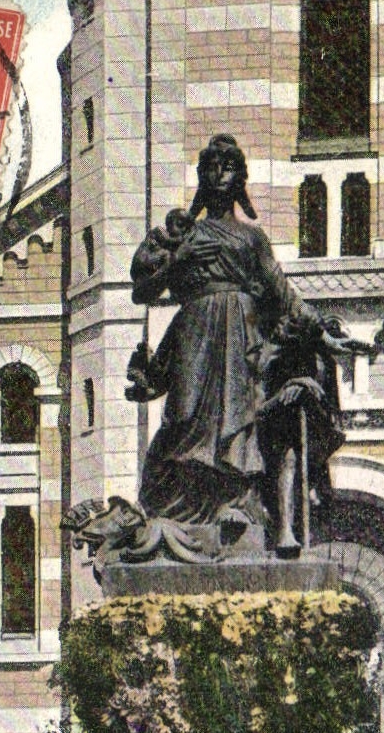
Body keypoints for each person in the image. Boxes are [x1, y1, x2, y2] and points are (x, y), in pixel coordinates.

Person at [128, 135, 355, 537]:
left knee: (236, 417)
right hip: (193, 334)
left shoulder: (252, 238)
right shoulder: (181, 236)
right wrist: (179, 260)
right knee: (183, 418)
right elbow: (142, 291)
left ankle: (234, 505)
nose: (218, 175)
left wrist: (323, 334)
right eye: (210, 168)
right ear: (201, 177)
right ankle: (179, 513)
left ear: (239, 178)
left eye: (227, 167)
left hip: (241, 335)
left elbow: (284, 294)